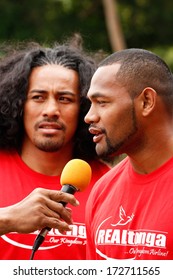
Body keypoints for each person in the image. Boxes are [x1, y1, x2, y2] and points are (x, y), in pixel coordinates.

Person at [0, 39, 110, 260]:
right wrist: (8, 219)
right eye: (38, 97)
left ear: (84, 109)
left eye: (65, 99)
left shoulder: (110, 184)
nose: (51, 110)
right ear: (19, 104)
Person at [84, 48, 173, 260]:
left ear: (146, 102)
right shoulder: (102, 191)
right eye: (90, 104)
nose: (89, 117)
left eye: (102, 102)